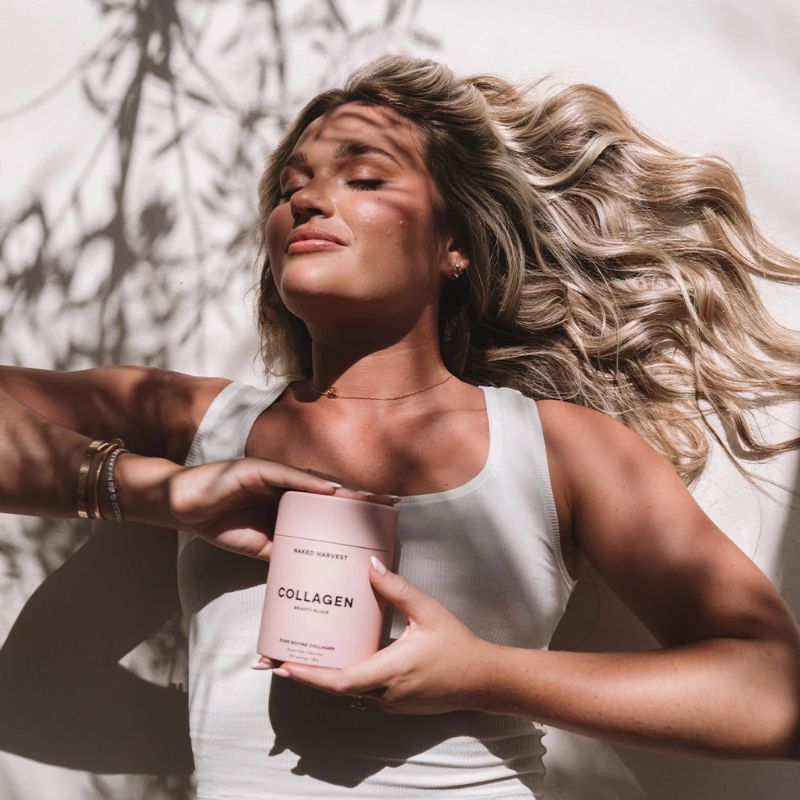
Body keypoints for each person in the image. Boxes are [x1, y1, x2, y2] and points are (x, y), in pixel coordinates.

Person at [2, 54, 800, 798]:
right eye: (291, 187)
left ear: (455, 244)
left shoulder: (559, 447)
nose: (307, 201)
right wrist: (159, 492)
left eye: (364, 178)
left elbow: (773, 691)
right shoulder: (200, 422)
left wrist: (483, 674)